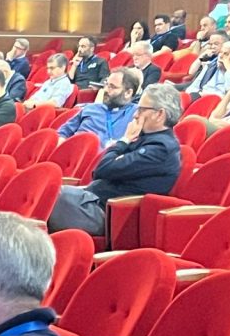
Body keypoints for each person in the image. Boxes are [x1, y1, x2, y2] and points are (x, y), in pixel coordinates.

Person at [48, 83, 182, 235]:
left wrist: (124, 140)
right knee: (44, 188)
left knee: (48, 196)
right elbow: (103, 168)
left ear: (159, 114)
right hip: (90, 200)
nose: (135, 115)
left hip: (107, 213)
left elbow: (103, 169)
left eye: (141, 109)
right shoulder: (144, 138)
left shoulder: (161, 148)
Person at [58, 68, 140, 145]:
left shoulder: (136, 114)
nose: (106, 90)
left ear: (128, 93)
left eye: (112, 87)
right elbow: (63, 133)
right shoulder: (90, 108)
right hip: (78, 151)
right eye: (106, 85)